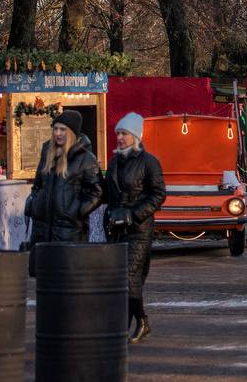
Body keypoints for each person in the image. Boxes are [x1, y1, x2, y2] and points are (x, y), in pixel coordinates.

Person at [103, 113, 167, 344]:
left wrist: (133, 214)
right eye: (118, 133)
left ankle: (129, 325)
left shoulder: (149, 162)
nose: (119, 138)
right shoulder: (113, 162)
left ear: (135, 136)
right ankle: (139, 322)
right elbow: (106, 191)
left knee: (129, 276)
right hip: (115, 228)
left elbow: (159, 194)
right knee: (121, 278)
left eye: (124, 134)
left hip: (139, 229)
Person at [28, 111, 103, 276]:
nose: (58, 133)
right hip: (43, 228)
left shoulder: (86, 158)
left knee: (66, 278)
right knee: (44, 278)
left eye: (62, 130)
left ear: (71, 132)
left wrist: (76, 211)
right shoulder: (47, 152)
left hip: (69, 230)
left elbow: (97, 191)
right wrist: (34, 202)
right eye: (55, 129)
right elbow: (38, 183)